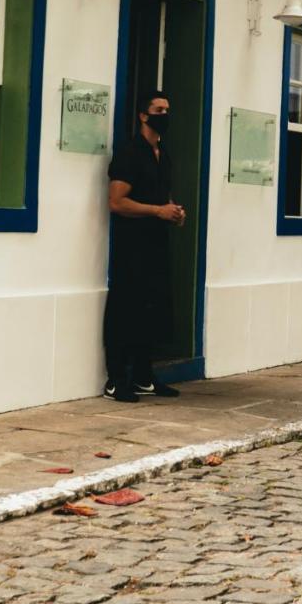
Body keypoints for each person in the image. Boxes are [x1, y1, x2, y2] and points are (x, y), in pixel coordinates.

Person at [102, 90, 185, 402]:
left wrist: (174, 211)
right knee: (126, 311)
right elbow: (116, 201)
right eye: (158, 110)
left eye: (167, 109)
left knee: (151, 311)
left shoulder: (163, 155)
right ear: (143, 115)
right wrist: (156, 211)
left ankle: (143, 377)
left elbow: (162, 197)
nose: (164, 115)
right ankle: (115, 380)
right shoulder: (129, 153)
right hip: (131, 247)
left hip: (157, 244)